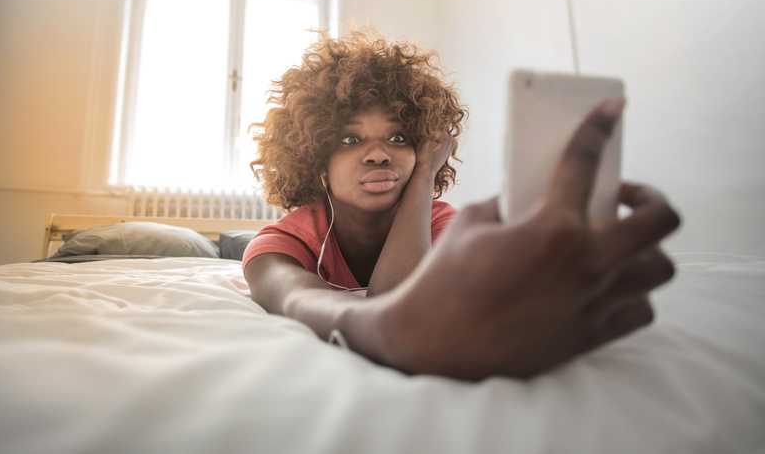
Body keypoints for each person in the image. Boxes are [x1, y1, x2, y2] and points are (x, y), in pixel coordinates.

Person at [243, 31, 681, 382]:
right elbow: (299, 297)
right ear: (315, 157)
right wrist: (392, 333)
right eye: (350, 139)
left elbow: (399, 293)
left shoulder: (437, 218)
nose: (378, 154)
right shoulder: (282, 241)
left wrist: (424, 178)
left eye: (398, 138)